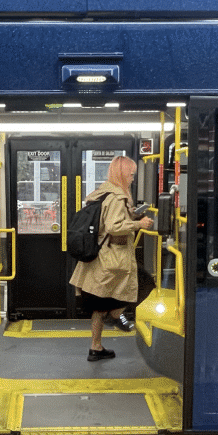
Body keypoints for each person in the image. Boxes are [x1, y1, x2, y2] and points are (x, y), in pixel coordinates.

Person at [69, 155, 154, 361]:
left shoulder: (103, 192)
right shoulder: (117, 197)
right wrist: (138, 224)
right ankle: (117, 316)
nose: (133, 179)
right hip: (114, 259)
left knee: (99, 306)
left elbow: (110, 219)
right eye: (131, 175)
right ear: (122, 174)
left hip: (100, 258)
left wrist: (132, 214)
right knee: (145, 284)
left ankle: (95, 348)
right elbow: (114, 227)